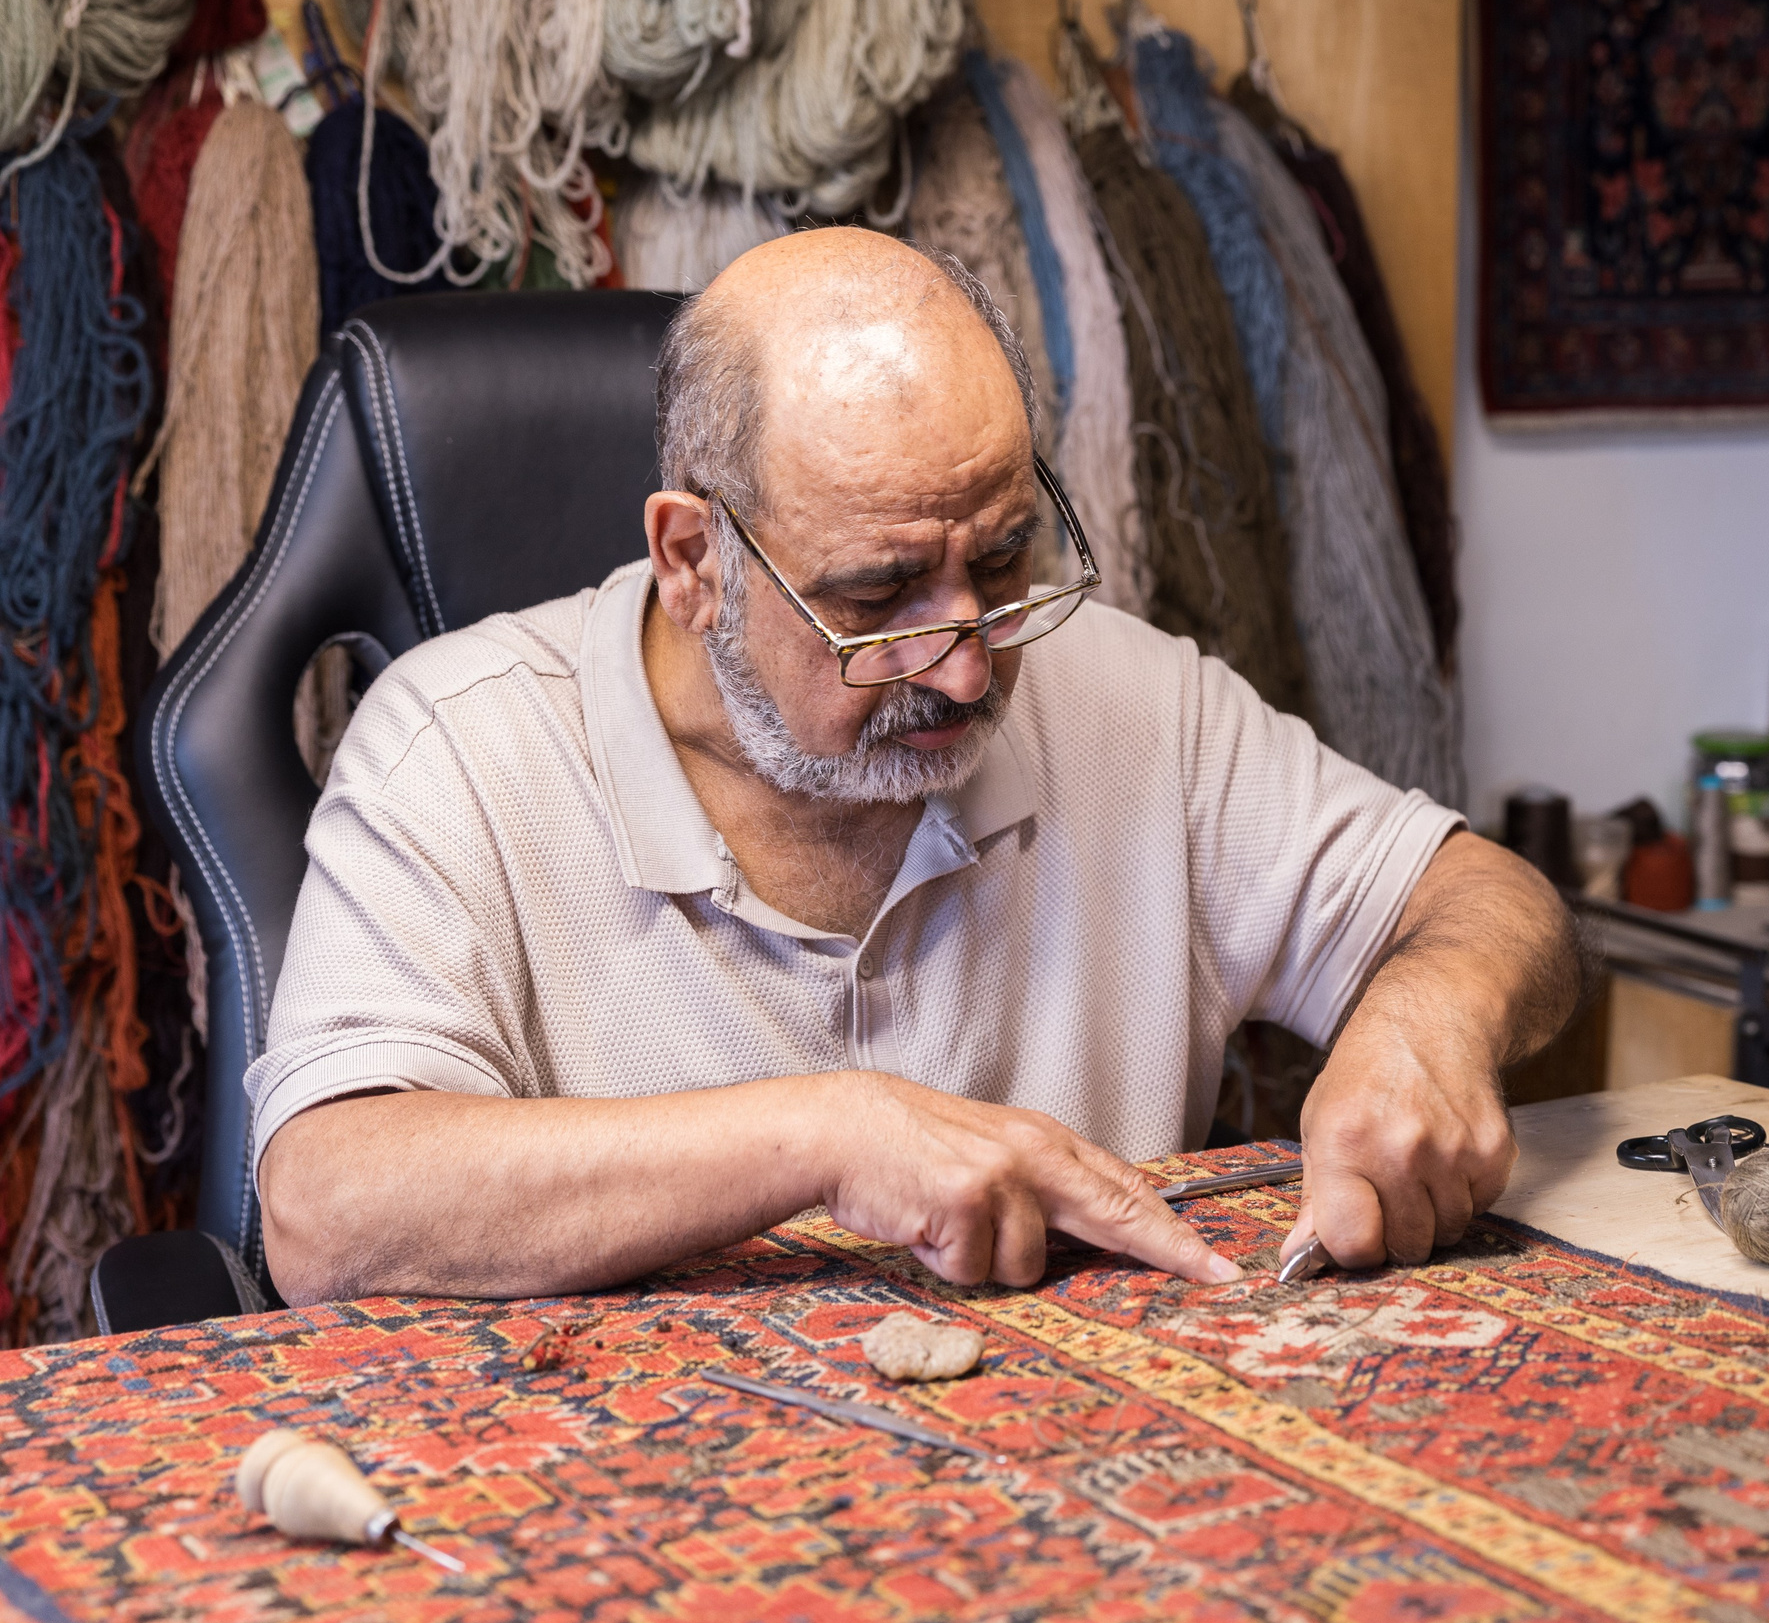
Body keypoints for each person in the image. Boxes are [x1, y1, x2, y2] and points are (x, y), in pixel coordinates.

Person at [251, 229, 1580, 1307]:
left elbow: (1491, 903)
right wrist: (829, 1137)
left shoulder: (1130, 700)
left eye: (1001, 558)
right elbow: (325, 1204)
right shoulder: (459, 745)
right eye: (881, 594)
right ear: (692, 560)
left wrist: (1433, 1013)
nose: (963, 664)